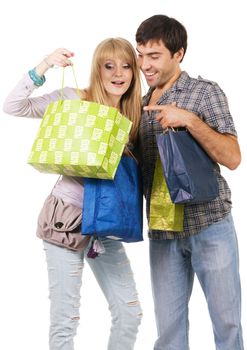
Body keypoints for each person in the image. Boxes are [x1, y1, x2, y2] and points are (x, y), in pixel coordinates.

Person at [3, 38, 143, 350]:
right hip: (66, 220)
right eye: (109, 66)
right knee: (66, 321)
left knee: (130, 313)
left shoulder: (135, 115)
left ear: (134, 71)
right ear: (98, 69)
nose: (118, 73)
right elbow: (14, 106)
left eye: (126, 66)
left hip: (105, 228)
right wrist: (45, 64)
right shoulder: (75, 99)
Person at [135, 14, 244, 350]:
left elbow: (233, 157)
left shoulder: (203, 93)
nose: (144, 65)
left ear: (178, 54)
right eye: (141, 55)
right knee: (168, 333)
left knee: (227, 324)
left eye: (154, 56)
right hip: (163, 234)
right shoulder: (139, 105)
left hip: (209, 225)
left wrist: (190, 121)